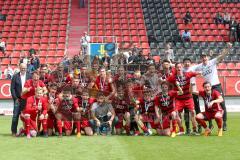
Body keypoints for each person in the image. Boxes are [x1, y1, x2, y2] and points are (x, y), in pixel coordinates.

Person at [190, 43, 232, 131]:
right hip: (207, 88)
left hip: (216, 86)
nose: (204, 58)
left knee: (222, 104)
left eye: (205, 56)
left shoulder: (212, 62)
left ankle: (224, 123)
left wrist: (227, 48)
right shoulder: (199, 66)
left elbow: (222, 56)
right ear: (201, 58)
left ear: (207, 57)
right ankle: (210, 124)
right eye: (202, 57)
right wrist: (195, 75)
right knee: (207, 106)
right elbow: (189, 69)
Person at [167, 63, 201, 135]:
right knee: (175, 114)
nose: (179, 68)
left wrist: (200, 72)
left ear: (182, 67)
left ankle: (194, 130)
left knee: (192, 112)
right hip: (178, 99)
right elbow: (167, 82)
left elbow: (197, 73)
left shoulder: (188, 74)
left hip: (188, 98)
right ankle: (181, 129)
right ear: (175, 68)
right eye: (177, 67)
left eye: (180, 67)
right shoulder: (173, 77)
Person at [10, 63, 31, 136]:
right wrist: (15, 98)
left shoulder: (29, 76)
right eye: (22, 68)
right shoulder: (15, 77)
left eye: (24, 68)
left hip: (27, 100)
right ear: (19, 68)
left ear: (26, 68)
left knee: (27, 115)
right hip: (18, 100)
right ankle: (13, 131)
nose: (23, 69)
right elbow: (12, 89)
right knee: (15, 116)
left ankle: (27, 131)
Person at [183, 58, 202, 133]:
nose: (187, 63)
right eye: (185, 62)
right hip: (185, 91)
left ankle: (200, 125)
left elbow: (202, 65)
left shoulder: (193, 67)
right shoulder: (181, 69)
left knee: (197, 109)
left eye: (188, 62)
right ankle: (188, 128)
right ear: (183, 63)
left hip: (193, 89)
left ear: (190, 63)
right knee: (186, 110)